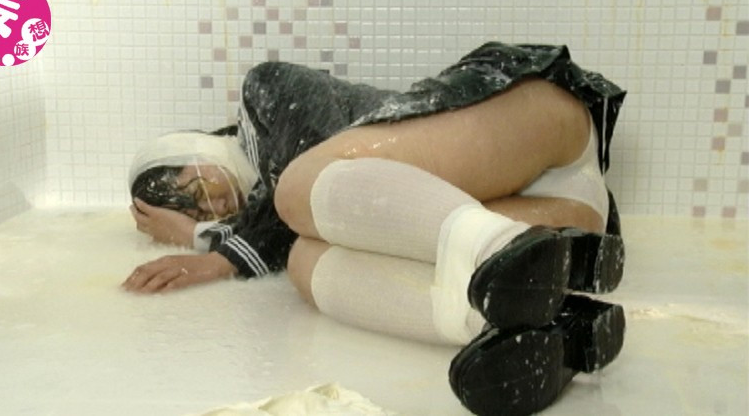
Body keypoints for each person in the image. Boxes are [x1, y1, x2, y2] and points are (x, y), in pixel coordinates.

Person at [124, 42, 627, 415]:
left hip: (536, 119)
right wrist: (204, 238)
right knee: (304, 262)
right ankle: (526, 319)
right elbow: (284, 228)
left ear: (196, 147)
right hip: (571, 217)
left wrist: (213, 251)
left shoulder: (264, 90)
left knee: (297, 187)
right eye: (200, 212)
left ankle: (496, 247)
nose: (213, 203)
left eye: (198, 185)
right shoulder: (279, 221)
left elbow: (311, 155)